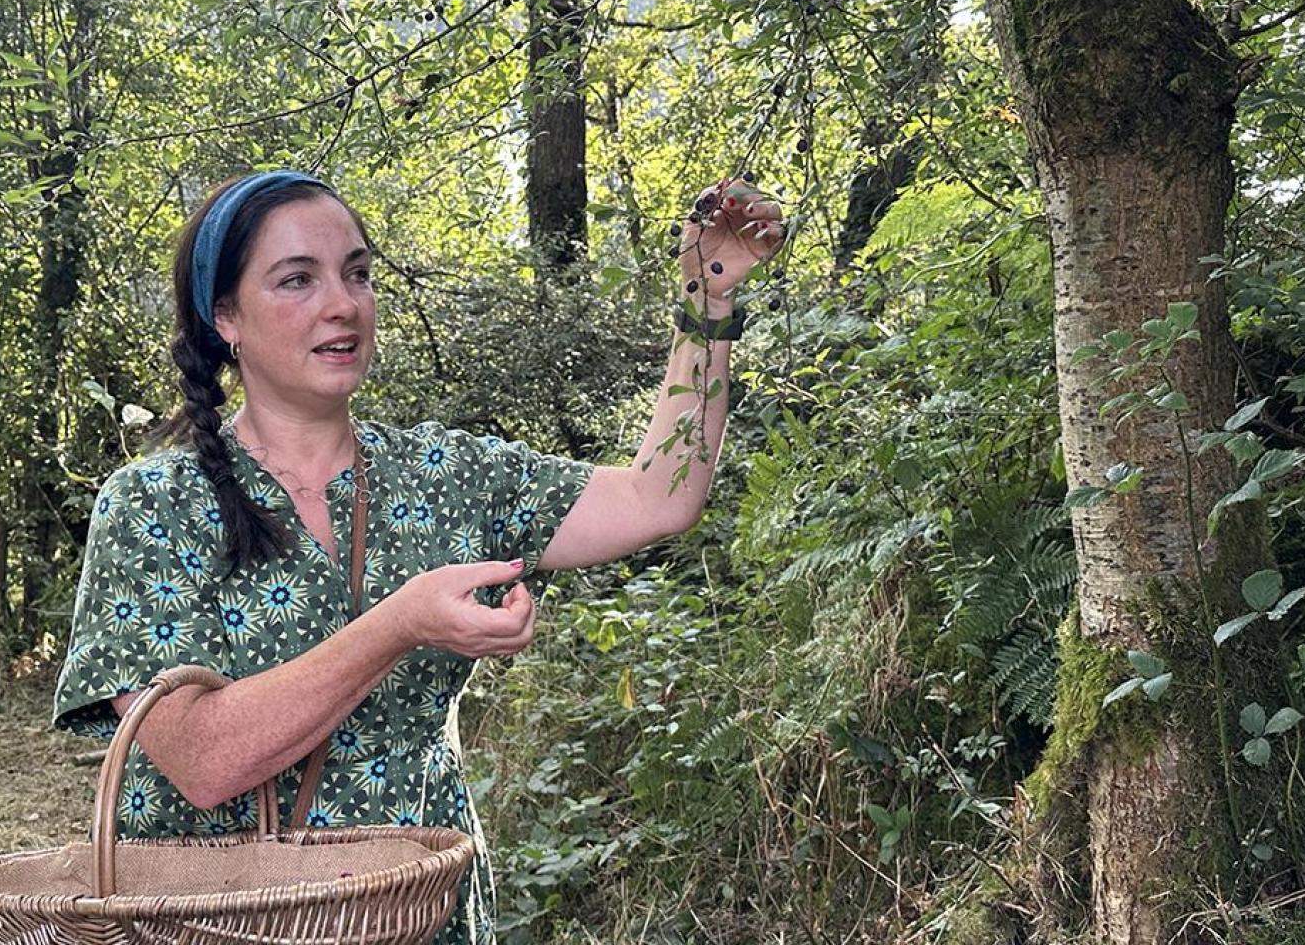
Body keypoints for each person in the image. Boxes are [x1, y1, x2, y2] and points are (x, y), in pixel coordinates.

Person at [52, 169, 785, 943]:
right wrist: (399, 623)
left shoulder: (449, 475)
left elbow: (658, 496)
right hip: (222, 924)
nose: (342, 304)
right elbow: (203, 761)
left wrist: (709, 299)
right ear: (225, 316)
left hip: (418, 917)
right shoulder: (153, 503)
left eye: (357, 274)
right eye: (297, 279)